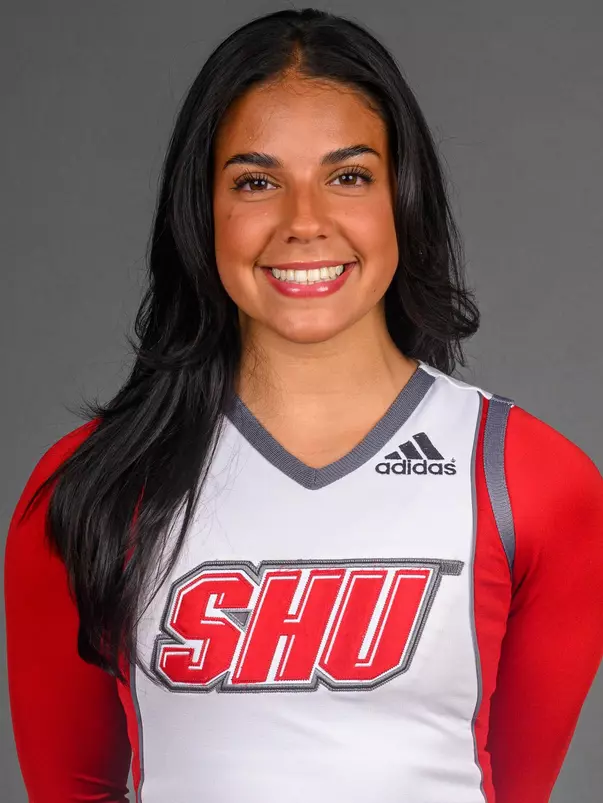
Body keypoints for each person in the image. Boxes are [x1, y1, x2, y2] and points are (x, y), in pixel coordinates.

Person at [5, 8, 603, 803]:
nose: (304, 222)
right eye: (256, 182)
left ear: (404, 197)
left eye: (348, 176)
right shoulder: (91, 485)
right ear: (201, 211)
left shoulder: (529, 479)